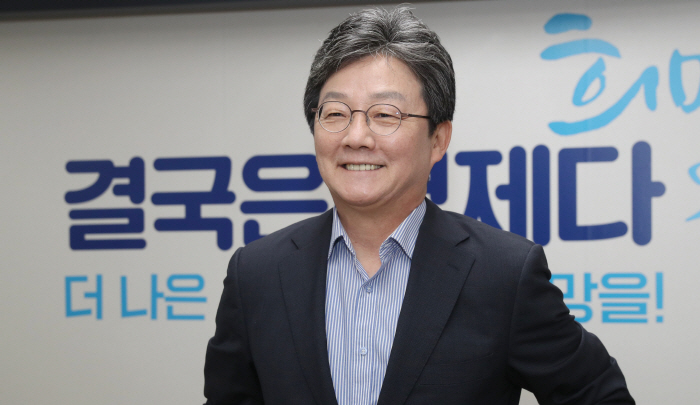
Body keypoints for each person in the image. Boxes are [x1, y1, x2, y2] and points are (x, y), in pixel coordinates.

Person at [204, 6, 635, 405]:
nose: (356, 136)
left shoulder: (503, 275)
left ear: (438, 140)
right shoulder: (256, 274)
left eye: (385, 114)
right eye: (335, 113)